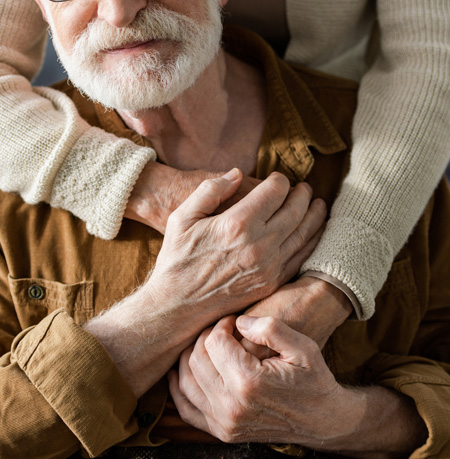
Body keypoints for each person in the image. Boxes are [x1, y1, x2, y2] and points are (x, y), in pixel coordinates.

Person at [1, 1, 449, 458]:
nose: (118, 12)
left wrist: (347, 421)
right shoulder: (13, 195)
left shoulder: (388, 160)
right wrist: (168, 309)